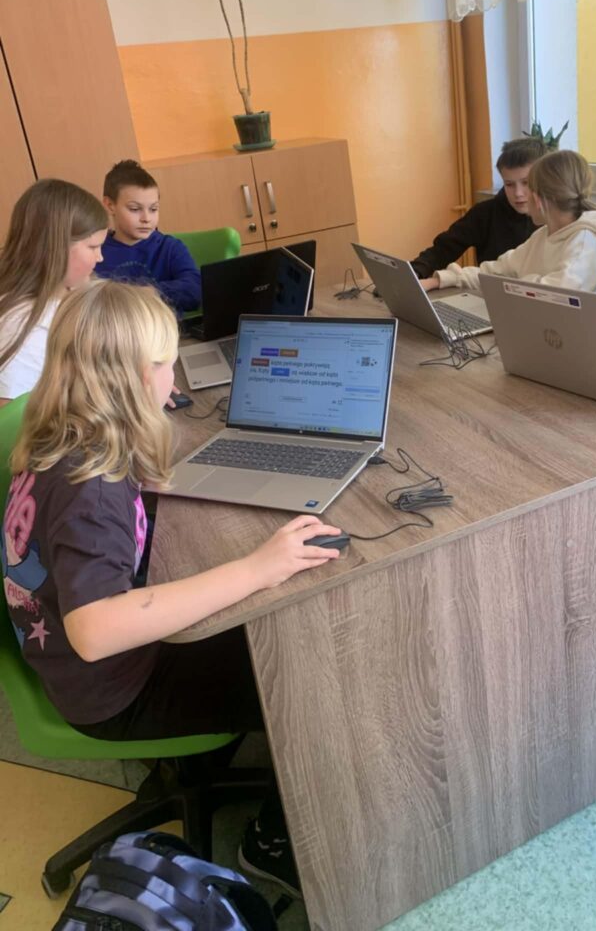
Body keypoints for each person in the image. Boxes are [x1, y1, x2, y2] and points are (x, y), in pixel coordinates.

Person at [2, 279, 342, 895]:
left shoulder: (62, 435)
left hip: (62, 655)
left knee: (258, 619)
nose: (174, 375)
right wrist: (258, 567)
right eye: (167, 362)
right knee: (306, 670)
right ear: (137, 377)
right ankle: (270, 843)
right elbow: (96, 630)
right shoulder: (91, 489)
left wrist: (145, 486)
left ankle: (195, 764)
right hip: (111, 688)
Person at [419, 150, 596, 294]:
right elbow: (498, 271)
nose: (520, 194)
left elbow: (554, 296)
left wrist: (512, 283)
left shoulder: (584, 242)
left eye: (527, 186)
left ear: (538, 199)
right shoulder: (544, 234)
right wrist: (440, 280)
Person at [0, 179, 107, 407]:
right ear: (55, 248)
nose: (100, 257)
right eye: (93, 247)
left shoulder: (71, 288)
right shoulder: (21, 327)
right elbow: (12, 417)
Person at [409, 137, 549, 278]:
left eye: (526, 183)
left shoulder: (555, 217)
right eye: (509, 184)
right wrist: (414, 273)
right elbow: (443, 249)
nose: (518, 193)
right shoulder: (484, 213)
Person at [97, 159, 201, 315]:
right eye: (134, 209)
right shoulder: (96, 251)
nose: (146, 218)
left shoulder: (170, 248)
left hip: (165, 329)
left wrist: (149, 293)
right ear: (110, 205)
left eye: (153, 209)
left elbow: (195, 290)